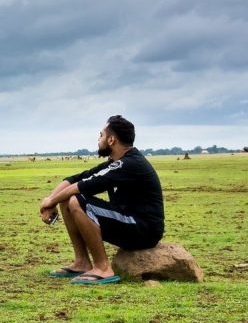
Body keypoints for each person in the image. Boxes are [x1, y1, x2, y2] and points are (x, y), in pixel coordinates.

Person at [38, 115, 164, 285]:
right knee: (67, 200)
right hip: (129, 222)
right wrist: (51, 199)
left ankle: (103, 268)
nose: (98, 139)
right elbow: (75, 179)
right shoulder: (116, 162)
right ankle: (81, 262)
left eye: (101, 135)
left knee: (77, 200)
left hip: (144, 229)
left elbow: (82, 186)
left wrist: (49, 202)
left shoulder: (129, 164)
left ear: (111, 140)